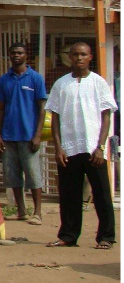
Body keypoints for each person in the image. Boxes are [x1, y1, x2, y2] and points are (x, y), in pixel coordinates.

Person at [45, 42, 117, 249]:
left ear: (90, 57)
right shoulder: (61, 84)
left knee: (102, 194)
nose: (79, 58)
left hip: (93, 147)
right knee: (69, 195)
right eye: (75, 54)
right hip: (68, 148)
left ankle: (106, 237)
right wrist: (58, 147)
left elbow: (106, 117)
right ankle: (68, 235)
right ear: (70, 57)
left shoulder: (98, 82)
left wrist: (100, 147)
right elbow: (55, 118)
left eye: (83, 54)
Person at [0, 43, 47, 225]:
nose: (17, 56)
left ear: (26, 55)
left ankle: (37, 212)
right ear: (9, 55)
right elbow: (0, 108)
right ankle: (21, 211)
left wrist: (37, 134)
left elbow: (42, 108)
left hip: (29, 135)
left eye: (20, 53)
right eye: (13, 53)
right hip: (9, 136)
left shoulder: (35, 78)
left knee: (33, 175)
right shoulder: (4, 79)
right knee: (13, 176)